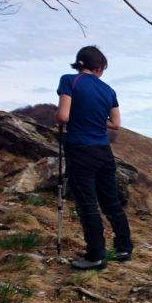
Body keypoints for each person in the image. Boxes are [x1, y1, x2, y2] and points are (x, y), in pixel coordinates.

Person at [55, 45, 132, 270]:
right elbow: (115, 124)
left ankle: (96, 255)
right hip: (104, 152)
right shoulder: (108, 90)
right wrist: (98, 120)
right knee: (111, 202)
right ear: (99, 67)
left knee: (87, 203)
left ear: (80, 63)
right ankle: (124, 248)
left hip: (80, 149)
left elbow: (63, 116)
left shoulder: (70, 81)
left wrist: (65, 116)